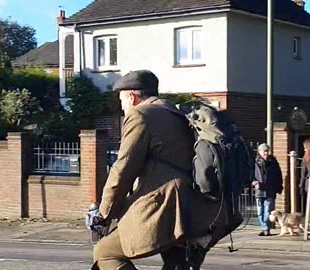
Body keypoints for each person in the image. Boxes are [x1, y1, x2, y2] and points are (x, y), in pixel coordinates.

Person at [91, 70, 241, 270]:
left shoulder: (140, 115)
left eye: (122, 102)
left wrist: (104, 213)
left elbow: (123, 170)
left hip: (167, 208)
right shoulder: (175, 112)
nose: (122, 107)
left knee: (105, 253)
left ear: (131, 97)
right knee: (178, 263)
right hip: (200, 210)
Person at [253, 143, 283, 236]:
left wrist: (279, 187)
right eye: (263, 151)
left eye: (267, 151)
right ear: (259, 152)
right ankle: (264, 228)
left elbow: (278, 175)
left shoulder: (273, 162)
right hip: (259, 191)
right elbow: (251, 174)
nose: (265, 153)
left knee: (268, 211)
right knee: (260, 211)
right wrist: (253, 182)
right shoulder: (255, 162)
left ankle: (266, 229)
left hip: (270, 190)